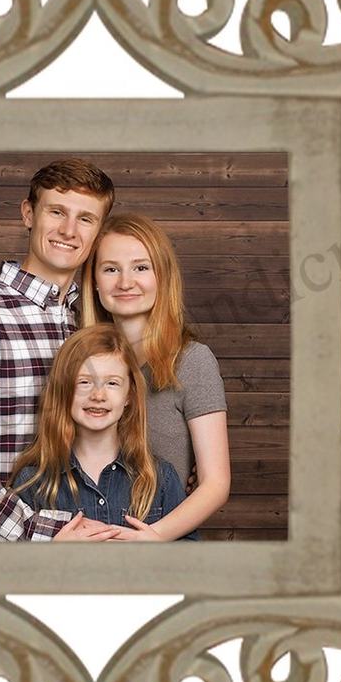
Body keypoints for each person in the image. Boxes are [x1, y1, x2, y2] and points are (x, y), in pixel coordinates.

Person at [0, 157, 120, 541]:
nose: (68, 230)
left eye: (85, 219)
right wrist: (38, 532)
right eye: (57, 212)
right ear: (28, 213)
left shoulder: (88, 326)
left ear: (98, 232)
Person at [80, 213, 231, 541]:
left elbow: (216, 483)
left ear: (162, 276)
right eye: (110, 269)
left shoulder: (192, 361)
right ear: (93, 281)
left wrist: (154, 537)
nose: (125, 282)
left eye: (141, 267)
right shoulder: (79, 363)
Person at [8, 324, 195, 539]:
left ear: (129, 395)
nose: (98, 395)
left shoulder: (160, 478)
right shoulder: (33, 481)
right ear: (64, 390)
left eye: (112, 383)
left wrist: (159, 545)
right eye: (84, 382)